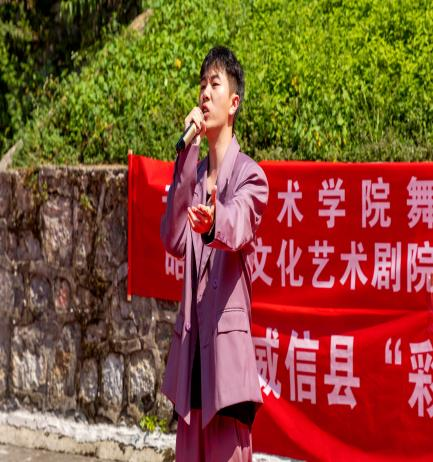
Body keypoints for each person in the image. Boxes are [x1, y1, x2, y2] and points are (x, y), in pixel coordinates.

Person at [160, 45, 269, 462]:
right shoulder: (193, 175)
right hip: (191, 370)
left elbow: (238, 223)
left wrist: (213, 221)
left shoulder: (250, 176)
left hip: (226, 376)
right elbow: (173, 238)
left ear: (233, 102)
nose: (204, 93)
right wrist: (187, 154)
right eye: (202, 84)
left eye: (215, 84)